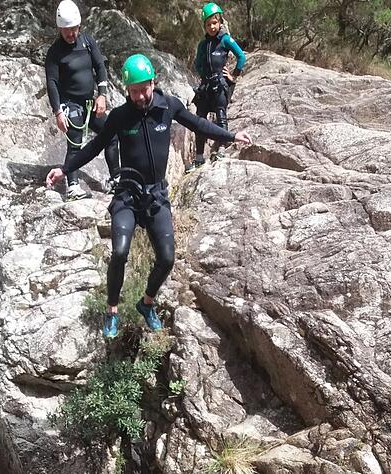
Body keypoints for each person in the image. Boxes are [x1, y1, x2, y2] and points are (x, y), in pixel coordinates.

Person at [46, 54, 252, 338]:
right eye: (134, 91)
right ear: (127, 90)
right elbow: (94, 147)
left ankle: (146, 304)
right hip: (128, 195)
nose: (140, 96)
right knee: (120, 252)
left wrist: (231, 136)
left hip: (156, 195)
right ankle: (112, 311)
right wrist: (64, 169)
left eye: (144, 89)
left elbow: (198, 124)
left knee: (167, 258)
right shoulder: (120, 116)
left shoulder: (168, 106)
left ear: (153, 82)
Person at [45, 0, 120, 200]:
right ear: (60, 29)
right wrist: (58, 112)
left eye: (74, 29)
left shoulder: (87, 42)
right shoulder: (55, 52)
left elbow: (100, 66)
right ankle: (73, 186)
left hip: (89, 102)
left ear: (79, 26)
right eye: (67, 30)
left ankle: (116, 179)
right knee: (75, 143)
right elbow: (52, 83)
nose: (71, 34)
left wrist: (102, 94)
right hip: (70, 104)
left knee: (111, 135)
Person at [186, 2, 247, 172]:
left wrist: (234, 75)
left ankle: (221, 150)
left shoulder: (225, 40)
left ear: (220, 22)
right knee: (199, 120)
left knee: (221, 116)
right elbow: (198, 64)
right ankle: (199, 158)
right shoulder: (202, 45)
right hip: (206, 87)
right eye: (208, 24)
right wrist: (204, 76)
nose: (212, 27)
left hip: (220, 84)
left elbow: (241, 57)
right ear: (204, 26)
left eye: (214, 23)